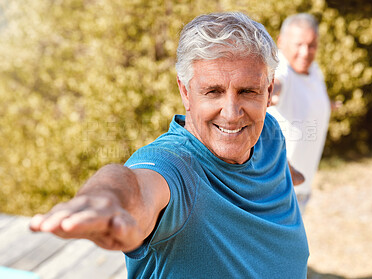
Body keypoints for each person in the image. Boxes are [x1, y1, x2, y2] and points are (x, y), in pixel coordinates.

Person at [30, 12, 309, 278]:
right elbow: (138, 185)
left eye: (248, 91)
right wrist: (110, 197)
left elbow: (270, 162)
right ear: (185, 92)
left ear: (268, 91)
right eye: (213, 91)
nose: (232, 112)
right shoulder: (176, 165)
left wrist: (287, 175)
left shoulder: (267, 133)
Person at [267, 13, 337, 213]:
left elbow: (307, 99)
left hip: (302, 188)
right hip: (279, 192)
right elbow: (277, 84)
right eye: (299, 45)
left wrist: (326, 105)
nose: (305, 52)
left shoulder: (314, 70)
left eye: (312, 45)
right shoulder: (280, 70)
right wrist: (269, 92)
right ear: (281, 42)